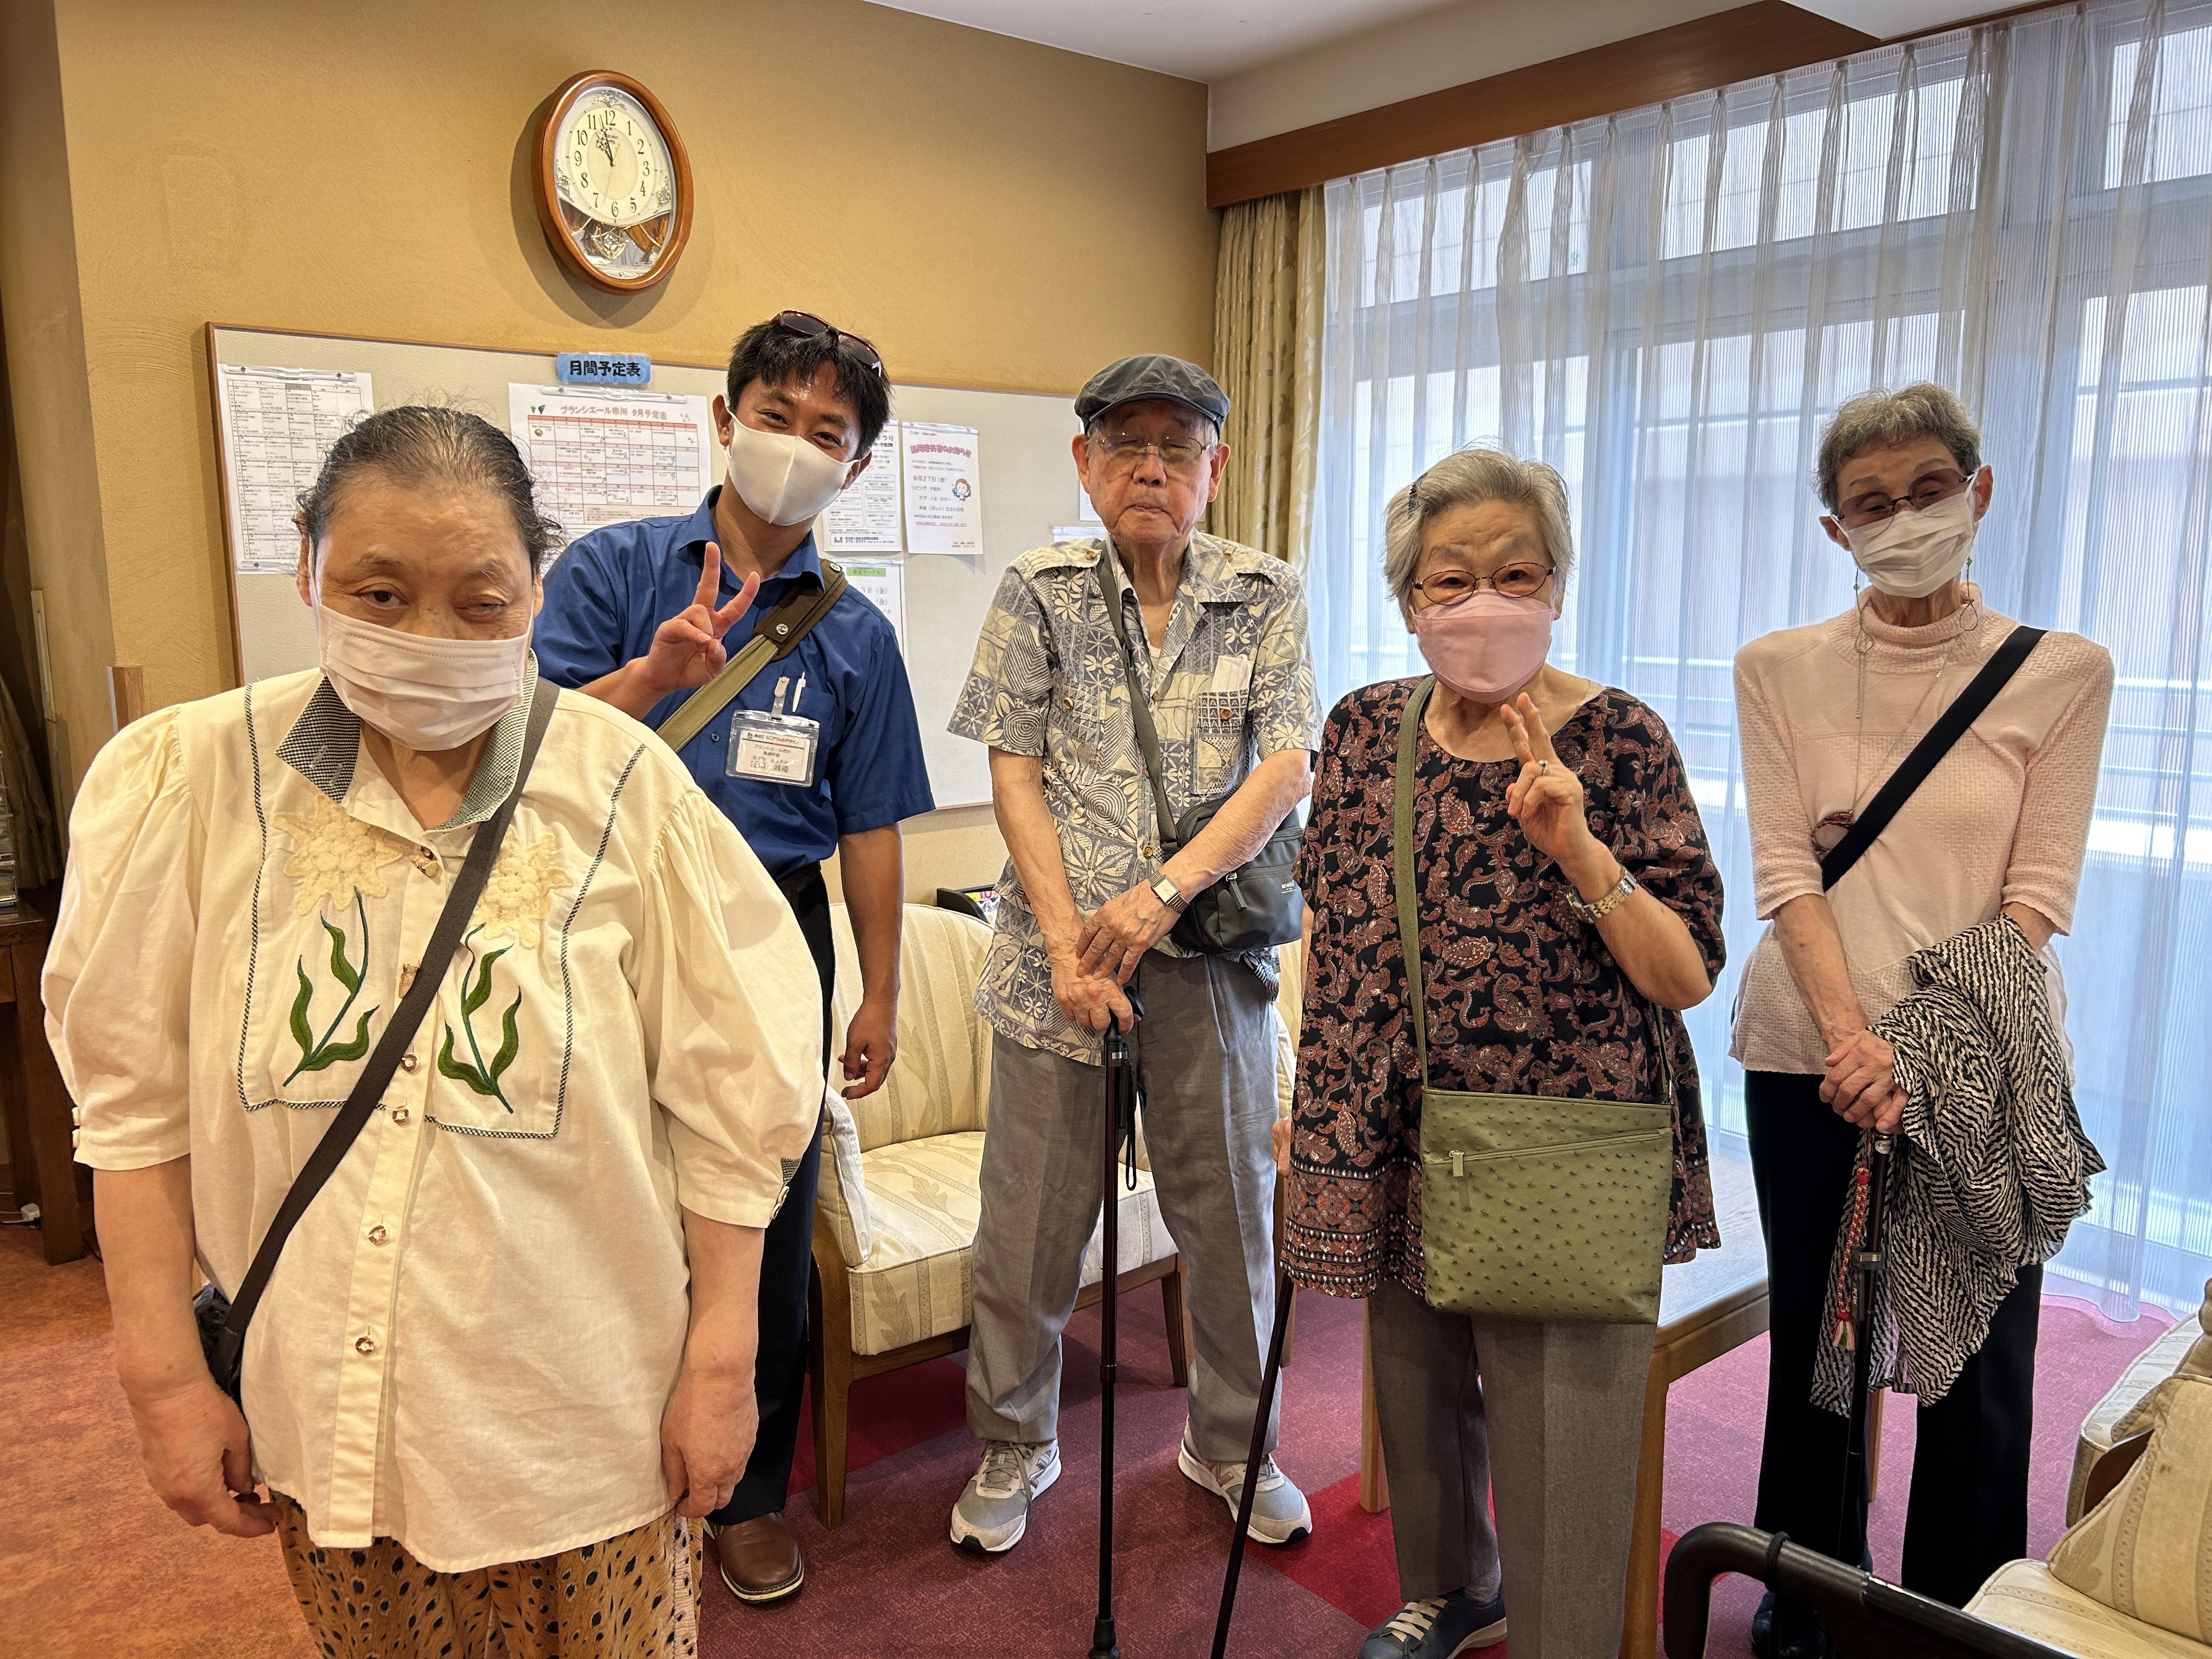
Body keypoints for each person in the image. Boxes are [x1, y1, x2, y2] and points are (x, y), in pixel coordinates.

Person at [47, 407, 824, 1659]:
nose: (429, 637)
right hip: (337, 1410)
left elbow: (736, 1112)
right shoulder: (185, 784)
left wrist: (723, 1368)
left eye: (479, 602)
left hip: (585, 1414)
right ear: (308, 566)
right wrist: (161, 1383)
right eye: (381, 592)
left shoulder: (623, 790)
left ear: (533, 594)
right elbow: (130, 1115)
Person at [1280, 447, 1724, 1659]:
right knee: (1417, 1389)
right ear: (1408, 601)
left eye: (1513, 572)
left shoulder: (1620, 740)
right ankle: (1451, 1585)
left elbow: (1684, 971)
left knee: (1559, 1425)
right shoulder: (1365, 728)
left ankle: (1565, 1636)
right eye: (1447, 580)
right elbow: (1335, 915)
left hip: (1561, 1142)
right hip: (1394, 1126)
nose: (1481, 602)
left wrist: (1578, 845)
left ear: (1558, 586)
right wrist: (1313, 1091)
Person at [534, 312, 934, 1604]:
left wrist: (877, 986)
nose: (796, 448)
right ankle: (597, 1468)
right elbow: (520, 750)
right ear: (724, 418)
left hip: (774, 928)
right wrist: (653, 677)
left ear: (858, 466)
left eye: (829, 433)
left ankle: (750, 1488)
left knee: (756, 1214)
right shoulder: (609, 572)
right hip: (609, 918)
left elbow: (869, 826)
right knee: (601, 1193)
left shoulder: (858, 634)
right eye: (776, 416)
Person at [1732, 383, 2113, 1652]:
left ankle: (1958, 1605)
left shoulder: (2062, 673)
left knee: (1984, 1360)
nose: (1905, 521)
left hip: (1989, 1059)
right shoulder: (1775, 668)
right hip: (1809, 1055)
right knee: (1822, 1335)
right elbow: (1788, 876)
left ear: (1979, 492)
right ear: (1835, 528)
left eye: (1928, 492)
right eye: (1872, 504)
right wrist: (1857, 1043)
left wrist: (1913, 1050)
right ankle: (1807, 1579)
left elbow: (2036, 903)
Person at [945, 354, 1319, 1555]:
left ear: (1215, 467)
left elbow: (1285, 768)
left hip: (1210, 965)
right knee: (1030, 1227)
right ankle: (1016, 1441)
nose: (1150, 468)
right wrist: (1068, 943)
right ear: (1086, 463)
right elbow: (1011, 767)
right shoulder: (1039, 589)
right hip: (1058, 975)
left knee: (1232, 1221)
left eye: (1177, 447)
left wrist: (1159, 895)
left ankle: (1231, 1443)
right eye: (1125, 446)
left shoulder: (1264, 593)